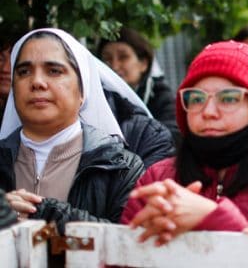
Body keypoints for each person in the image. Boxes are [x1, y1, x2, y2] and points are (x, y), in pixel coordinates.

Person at [121, 41, 248, 245]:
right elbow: (119, 255)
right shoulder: (157, 179)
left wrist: (215, 218)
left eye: (229, 99)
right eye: (196, 98)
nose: (209, 112)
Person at [0, 28, 144, 233]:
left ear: (82, 91)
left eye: (54, 71)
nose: (37, 82)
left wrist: (48, 214)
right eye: (24, 72)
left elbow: (132, 243)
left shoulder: (121, 168)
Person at [98, 28, 179, 141]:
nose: (114, 66)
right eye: (107, 59)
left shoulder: (161, 98)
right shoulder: (97, 101)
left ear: (143, 64)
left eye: (123, 57)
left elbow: (171, 137)